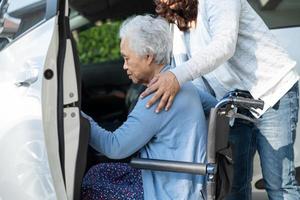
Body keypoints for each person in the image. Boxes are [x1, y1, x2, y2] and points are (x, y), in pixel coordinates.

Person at [139, 0, 300, 199]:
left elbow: (223, 45)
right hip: (233, 104)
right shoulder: (177, 20)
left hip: (271, 91)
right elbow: (194, 81)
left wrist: (176, 76)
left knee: (279, 185)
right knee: (232, 186)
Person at [81, 15, 214, 200]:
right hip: (185, 183)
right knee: (98, 172)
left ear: (148, 56)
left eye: (127, 58)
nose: (124, 66)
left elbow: (114, 147)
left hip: (166, 190)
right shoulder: (181, 83)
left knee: (91, 185)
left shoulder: (158, 95)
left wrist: (78, 117)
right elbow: (215, 106)